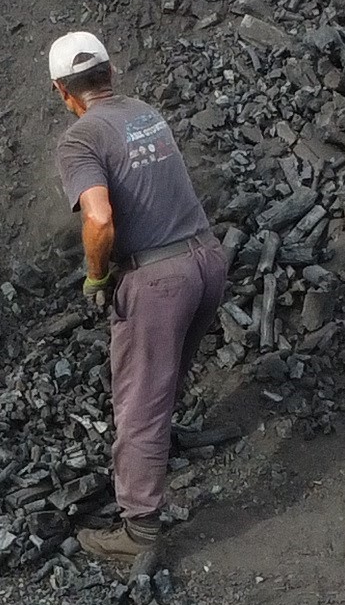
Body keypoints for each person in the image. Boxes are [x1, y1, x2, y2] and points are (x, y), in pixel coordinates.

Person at [48, 31, 229, 572]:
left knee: (139, 405)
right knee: (166, 377)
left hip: (158, 280)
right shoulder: (145, 112)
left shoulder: (80, 139)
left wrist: (97, 276)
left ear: (63, 91)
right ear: (111, 71)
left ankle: (140, 530)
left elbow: (99, 217)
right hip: (207, 259)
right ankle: (164, 448)